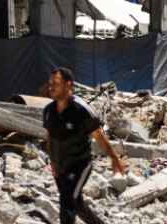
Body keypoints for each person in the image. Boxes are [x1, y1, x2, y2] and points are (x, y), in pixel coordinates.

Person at [43, 67, 126, 224]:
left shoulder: (81, 110)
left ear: (68, 85)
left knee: (67, 202)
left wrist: (114, 158)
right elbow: (50, 137)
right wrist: (52, 161)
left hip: (79, 164)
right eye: (50, 83)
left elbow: (98, 135)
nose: (51, 87)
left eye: (56, 83)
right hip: (60, 166)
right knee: (76, 203)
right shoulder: (49, 111)